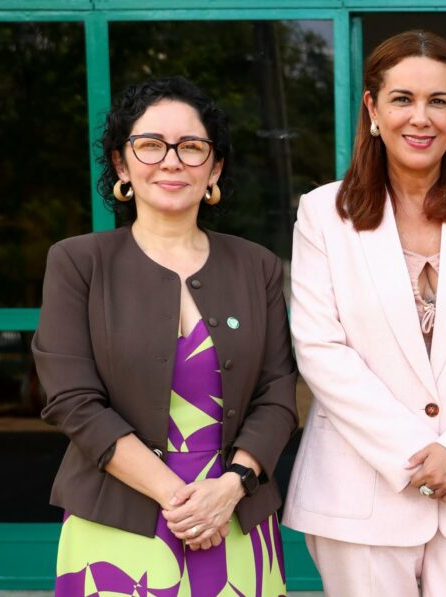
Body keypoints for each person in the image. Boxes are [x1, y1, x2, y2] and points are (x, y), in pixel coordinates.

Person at [281, 30, 446, 596]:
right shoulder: (324, 213)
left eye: (438, 101)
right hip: (361, 489)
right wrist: (420, 457)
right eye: (402, 99)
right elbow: (321, 350)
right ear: (373, 109)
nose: (420, 118)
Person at [33, 76, 299, 596]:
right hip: (115, 524)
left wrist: (230, 488)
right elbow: (72, 401)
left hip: (235, 517)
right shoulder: (78, 262)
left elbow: (278, 395)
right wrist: (183, 500)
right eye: (151, 145)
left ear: (214, 168)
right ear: (122, 164)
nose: (171, 161)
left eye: (191, 147)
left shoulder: (257, 266)